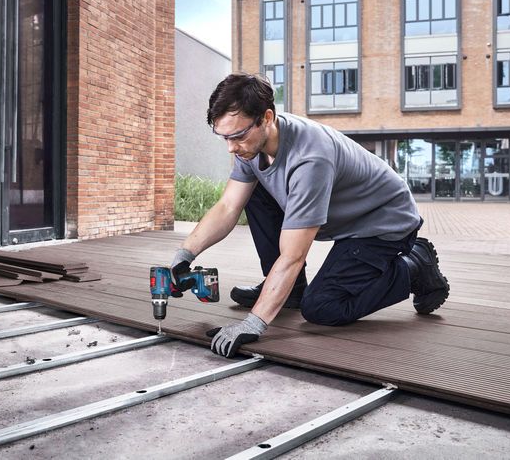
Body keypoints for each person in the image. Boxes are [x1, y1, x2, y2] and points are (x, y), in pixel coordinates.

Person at [170, 73, 450, 358]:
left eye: (238, 135)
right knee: (253, 193)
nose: (231, 147)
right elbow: (228, 206)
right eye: (224, 137)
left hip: (381, 223)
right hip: (346, 217)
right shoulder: (252, 147)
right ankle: (286, 291)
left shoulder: (309, 158)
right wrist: (185, 255)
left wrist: (253, 323)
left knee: (322, 308)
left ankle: (415, 265)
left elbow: (293, 255)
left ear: (266, 118)